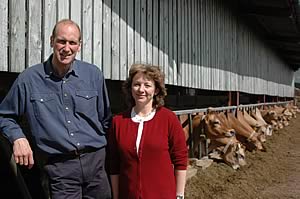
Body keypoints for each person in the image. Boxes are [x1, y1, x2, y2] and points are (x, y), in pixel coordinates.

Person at [0, 19, 112, 199]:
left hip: (96, 166)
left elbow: (106, 120)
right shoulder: (29, 79)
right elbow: (4, 116)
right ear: (52, 41)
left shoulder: (93, 75)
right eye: (62, 41)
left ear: (79, 46)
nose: (66, 48)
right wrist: (18, 137)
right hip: (60, 169)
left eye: (72, 42)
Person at [107, 63, 188, 199]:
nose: (141, 89)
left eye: (147, 85)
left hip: (162, 195)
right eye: (137, 84)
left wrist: (179, 195)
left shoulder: (168, 119)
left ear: (156, 90)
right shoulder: (119, 122)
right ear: (130, 88)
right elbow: (113, 164)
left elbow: (180, 159)